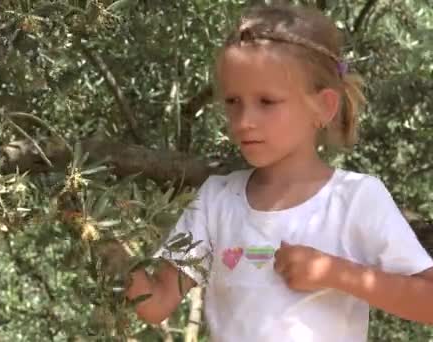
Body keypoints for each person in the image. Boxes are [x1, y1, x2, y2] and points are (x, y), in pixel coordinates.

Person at [124, 3, 433, 342]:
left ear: (323, 106)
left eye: (267, 102)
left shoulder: (356, 199)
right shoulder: (215, 200)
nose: (243, 121)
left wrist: (338, 273)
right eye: (232, 102)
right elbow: (155, 304)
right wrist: (98, 238)